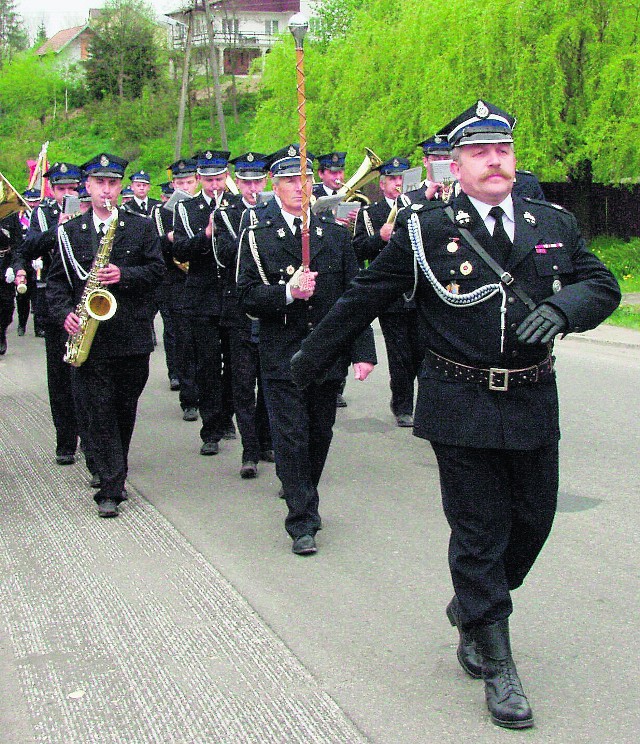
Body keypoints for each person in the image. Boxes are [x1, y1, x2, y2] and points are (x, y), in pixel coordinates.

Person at [290, 100, 620, 727]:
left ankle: (472, 605)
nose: (493, 161)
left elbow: (602, 284)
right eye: (478, 152)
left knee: (533, 522)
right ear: (456, 164)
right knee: (479, 531)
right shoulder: (426, 229)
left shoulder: (552, 221)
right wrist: (309, 358)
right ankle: (496, 661)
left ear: (512, 159)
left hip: (530, 397)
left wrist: (567, 307)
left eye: (502, 151)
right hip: (459, 401)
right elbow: (366, 294)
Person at [237, 147, 376, 555]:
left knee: (319, 434)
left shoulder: (334, 235)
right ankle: (302, 520)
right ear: (275, 187)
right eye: (290, 180)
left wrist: (362, 351)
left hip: (326, 354)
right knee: (291, 438)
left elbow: (354, 298)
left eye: (305, 179)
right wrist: (286, 292)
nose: (299, 188)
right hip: (282, 355)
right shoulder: (257, 237)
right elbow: (245, 296)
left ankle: (303, 488)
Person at [46, 152, 164, 517]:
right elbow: (55, 284)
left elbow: (159, 271)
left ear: (120, 187)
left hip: (131, 336)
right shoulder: (68, 233)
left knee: (122, 409)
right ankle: (111, 488)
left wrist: (124, 275)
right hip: (90, 339)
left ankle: (111, 467)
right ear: (88, 186)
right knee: (97, 411)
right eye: (100, 183)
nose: (106, 191)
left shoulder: (142, 227)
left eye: (113, 183)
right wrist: (65, 314)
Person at [15, 162, 84, 464]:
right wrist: (60, 229)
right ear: (52, 189)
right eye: (61, 189)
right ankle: (65, 440)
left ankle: (90, 435)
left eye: (72, 188)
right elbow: (28, 247)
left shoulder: (91, 209)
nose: (67, 193)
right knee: (59, 376)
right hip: (53, 298)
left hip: (85, 294)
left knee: (87, 373)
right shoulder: (42, 214)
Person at [352, 157, 423, 427]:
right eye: (392, 180)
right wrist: (378, 238)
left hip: (420, 289)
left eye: (401, 179)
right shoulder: (369, 214)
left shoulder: (419, 208)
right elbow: (357, 249)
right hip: (391, 294)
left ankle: (426, 408)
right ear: (382, 185)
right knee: (399, 353)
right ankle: (403, 405)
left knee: (423, 352)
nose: (397, 184)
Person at [217, 151, 273, 479]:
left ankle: (265, 441)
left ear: (264, 181)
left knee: (269, 381)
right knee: (242, 384)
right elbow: (224, 256)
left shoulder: (274, 212)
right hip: (238, 311)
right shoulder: (227, 213)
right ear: (237, 183)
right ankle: (249, 449)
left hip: (269, 311)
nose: (252, 187)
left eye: (257, 181)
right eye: (246, 181)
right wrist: (248, 230)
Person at [172, 150, 231, 455]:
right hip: (202, 298)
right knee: (208, 366)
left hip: (233, 297)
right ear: (198, 180)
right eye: (208, 179)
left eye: (219, 178)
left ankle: (228, 418)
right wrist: (206, 234)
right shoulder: (186, 209)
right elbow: (180, 251)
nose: (214, 185)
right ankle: (211, 431)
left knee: (236, 366)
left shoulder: (237, 205)